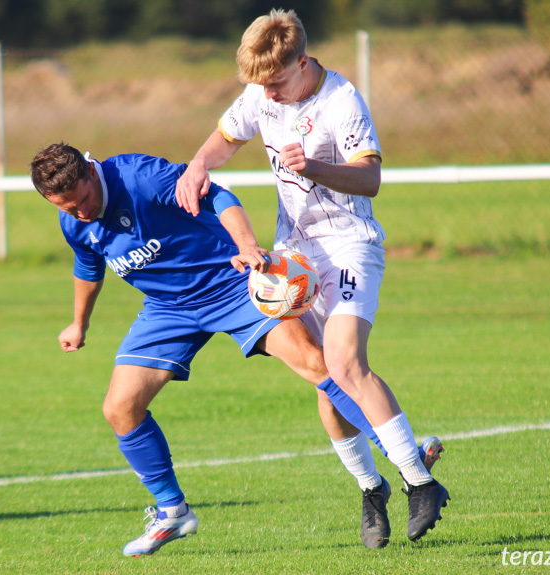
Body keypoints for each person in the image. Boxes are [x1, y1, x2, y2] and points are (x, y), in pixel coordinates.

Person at [29, 142, 438, 556]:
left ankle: (405, 456)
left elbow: (219, 196)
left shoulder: (138, 177)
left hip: (232, 286)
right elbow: (88, 266)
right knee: (119, 408)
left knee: (318, 364)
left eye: (82, 200)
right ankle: (172, 511)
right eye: (66, 208)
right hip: (168, 309)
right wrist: (79, 324)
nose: (79, 212)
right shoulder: (74, 223)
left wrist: (246, 244)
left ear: (89, 173)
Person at [175, 8, 450, 544]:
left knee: (346, 362)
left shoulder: (341, 100)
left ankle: (421, 482)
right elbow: (224, 139)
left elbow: (370, 178)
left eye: (277, 84)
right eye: (261, 87)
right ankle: (372, 490)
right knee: (326, 379)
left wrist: (314, 167)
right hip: (293, 256)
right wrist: (197, 165)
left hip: (349, 245)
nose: (269, 97)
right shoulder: (261, 93)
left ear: (303, 62)